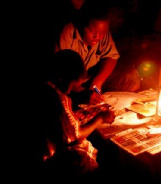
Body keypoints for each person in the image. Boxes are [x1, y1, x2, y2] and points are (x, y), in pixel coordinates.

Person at [40, 49, 115, 178]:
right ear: (63, 78)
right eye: (73, 85)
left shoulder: (45, 87)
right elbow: (74, 136)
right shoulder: (56, 98)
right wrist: (99, 119)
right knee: (83, 154)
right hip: (48, 158)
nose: (71, 91)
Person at [54, 5, 121, 106]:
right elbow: (59, 75)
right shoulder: (67, 33)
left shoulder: (102, 32)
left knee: (129, 78)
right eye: (92, 32)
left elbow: (112, 56)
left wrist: (98, 81)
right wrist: (82, 93)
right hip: (69, 84)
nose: (98, 37)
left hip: (90, 78)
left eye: (102, 33)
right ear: (82, 25)